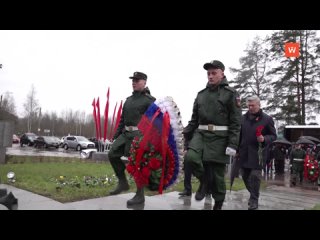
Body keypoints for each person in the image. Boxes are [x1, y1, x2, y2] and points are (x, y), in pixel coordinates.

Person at [183, 60, 241, 210]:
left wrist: (232, 144)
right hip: (201, 134)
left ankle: (219, 203)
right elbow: (194, 120)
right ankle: (204, 182)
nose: (210, 76)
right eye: (208, 73)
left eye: (214, 73)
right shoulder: (201, 95)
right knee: (191, 158)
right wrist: (184, 134)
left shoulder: (230, 94)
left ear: (222, 73)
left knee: (217, 175)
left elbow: (236, 122)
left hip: (220, 138)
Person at [108, 71, 156, 206]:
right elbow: (122, 120)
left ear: (144, 82)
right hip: (126, 134)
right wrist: (116, 135)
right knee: (112, 154)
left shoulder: (150, 100)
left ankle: (140, 195)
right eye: (133, 80)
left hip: (140, 135)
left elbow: (155, 123)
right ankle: (122, 182)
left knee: (137, 165)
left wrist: (151, 141)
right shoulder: (128, 100)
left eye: (137, 80)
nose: (134, 82)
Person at [238, 95, 276, 210]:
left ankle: (254, 200)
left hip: (258, 154)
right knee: (244, 176)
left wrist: (264, 139)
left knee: (255, 176)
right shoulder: (243, 118)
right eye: (248, 105)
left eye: (252, 105)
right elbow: (239, 136)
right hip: (244, 153)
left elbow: (273, 135)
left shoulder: (267, 119)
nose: (250, 108)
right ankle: (253, 194)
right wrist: (236, 149)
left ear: (259, 105)